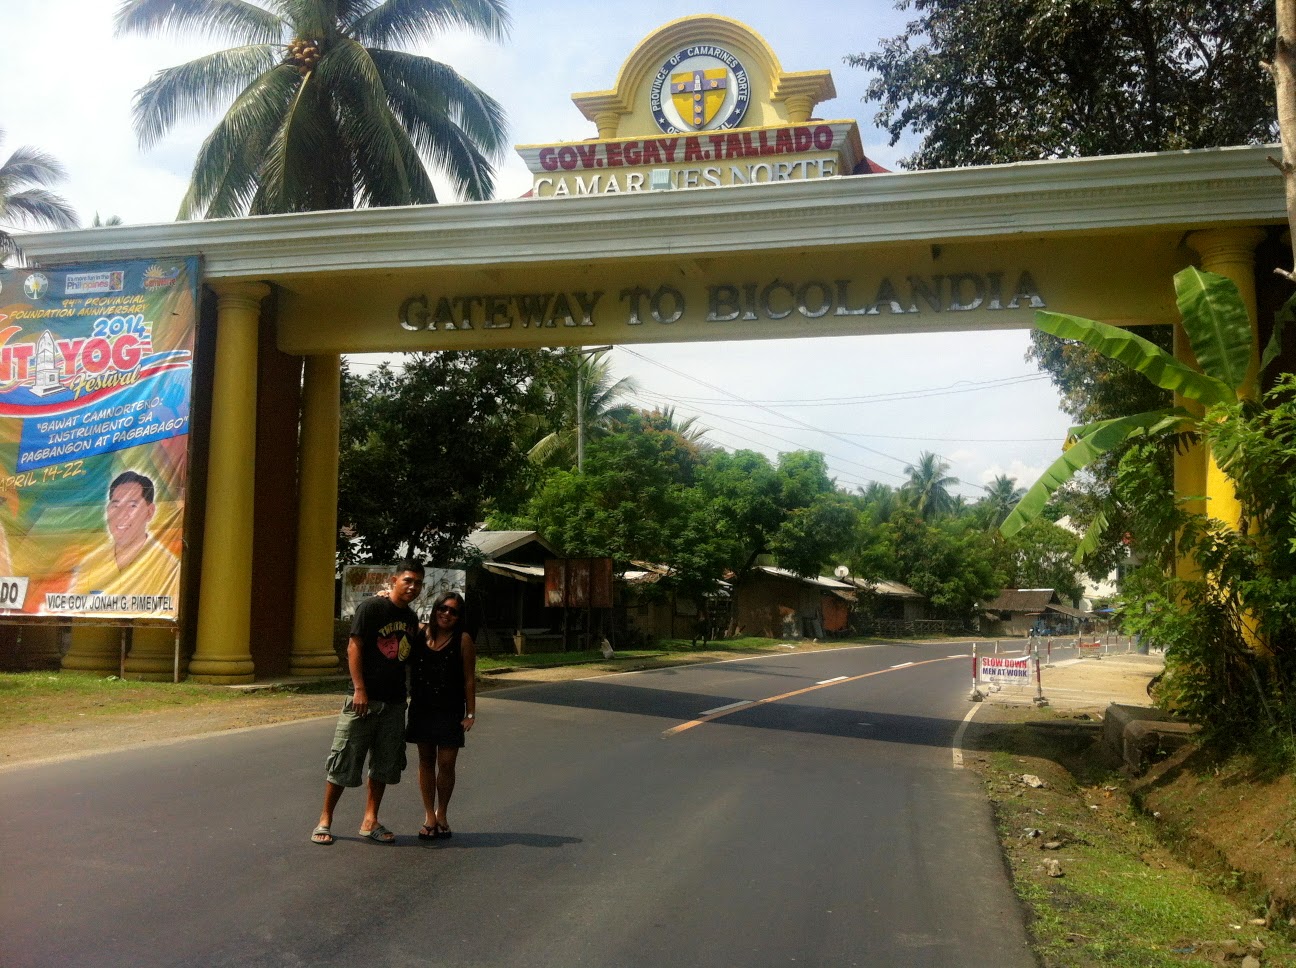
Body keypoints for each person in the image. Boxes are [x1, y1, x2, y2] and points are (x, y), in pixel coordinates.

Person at [311, 560, 425, 846]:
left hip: (394, 701)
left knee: (384, 764)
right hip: (363, 700)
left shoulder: (411, 618)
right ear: (394, 580)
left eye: (418, 583)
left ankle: (370, 820)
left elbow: (409, 657)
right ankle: (325, 819)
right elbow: (354, 646)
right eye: (408, 580)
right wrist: (359, 689)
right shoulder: (372, 608)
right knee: (344, 759)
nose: (413, 587)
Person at [407, 589, 476, 840]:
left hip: (450, 710)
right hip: (422, 708)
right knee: (426, 761)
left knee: (446, 763)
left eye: (453, 612)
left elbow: (469, 679)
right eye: (443, 608)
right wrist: (383, 596)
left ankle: (442, 813)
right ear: (435, 609)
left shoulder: (463, 640)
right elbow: (399, 617)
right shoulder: (420, 633)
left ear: (459, 617)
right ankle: (429, 816)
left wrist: (471, 713)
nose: (446, 614)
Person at [72, 470, 180, 597]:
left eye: (132, 506)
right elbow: (75, 606)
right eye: (116, 506)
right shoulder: (90, 565)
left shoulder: (169, 569)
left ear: (150, 512)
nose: (121, 514)